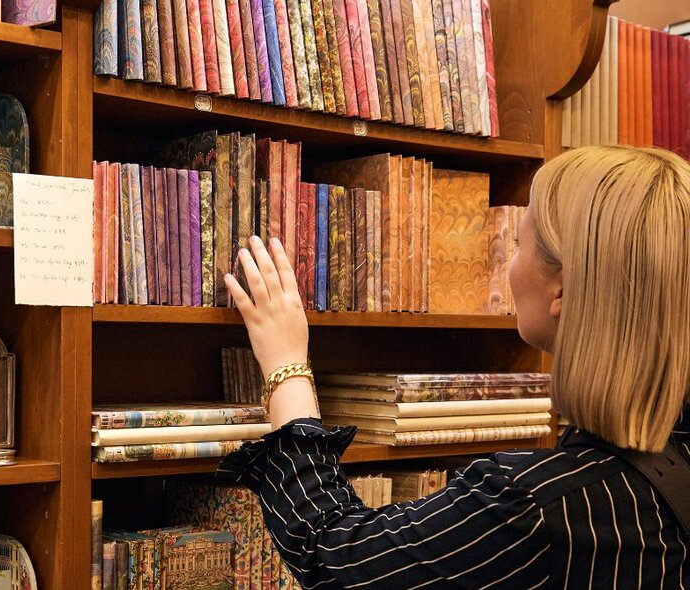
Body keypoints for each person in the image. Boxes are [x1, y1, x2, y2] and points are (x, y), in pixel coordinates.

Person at [217, 145, 690, 589]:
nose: (505, 265)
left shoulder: (536, 507)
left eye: (518, 243)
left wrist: (286, 364)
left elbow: (332, 553)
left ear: (562, 291)